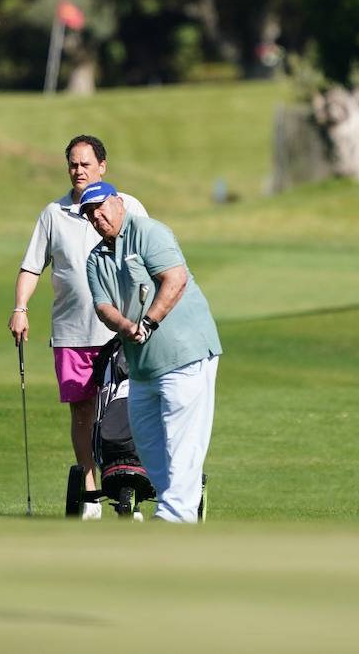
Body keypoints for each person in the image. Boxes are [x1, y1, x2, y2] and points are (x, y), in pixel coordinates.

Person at [9, 135, 147, 519]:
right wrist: (20, 308)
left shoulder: (128, 205)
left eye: (86, 164)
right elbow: (32, 266)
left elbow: (150, 257)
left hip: (119, 332)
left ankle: (125, 489)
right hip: (72, 332)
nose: (79, 170)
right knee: (83, 414)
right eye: (73, 164)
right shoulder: (53, 213)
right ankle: (90, 492)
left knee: (122, 411)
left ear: (102, 165)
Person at [80, 181, 221, 523]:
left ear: (118, 203)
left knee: (182, 439)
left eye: (101, 207)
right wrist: (126, 327)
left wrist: (150, 321)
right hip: (142, 364)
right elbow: (102, 306)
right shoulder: (96, 258)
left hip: (184, 351)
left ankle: (175, 517)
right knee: (146, 442)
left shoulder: (148, 232)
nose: (97, 216)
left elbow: (176, 278)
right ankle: (174, 508)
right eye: (90, 213)